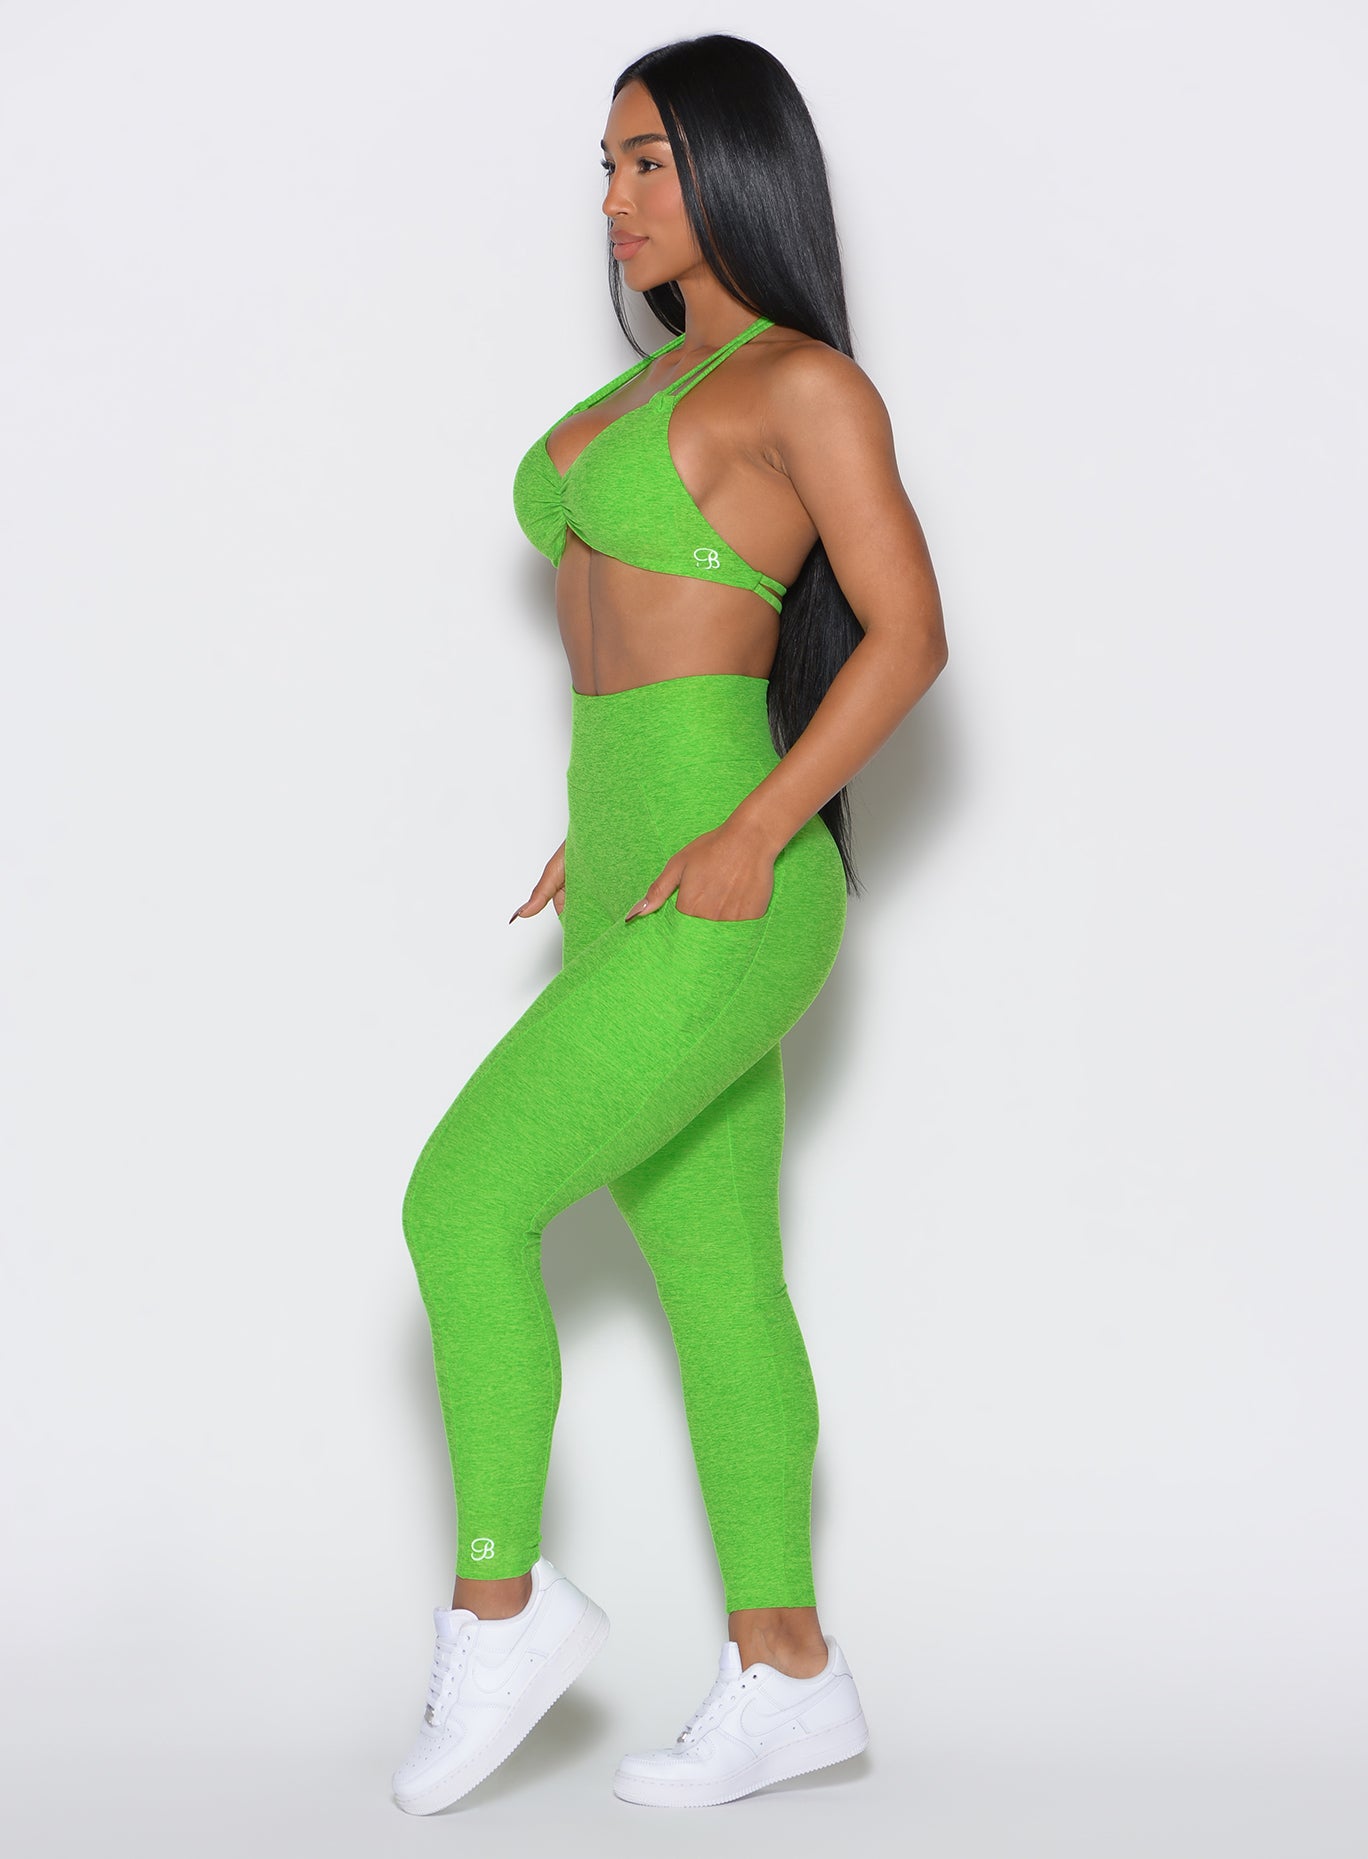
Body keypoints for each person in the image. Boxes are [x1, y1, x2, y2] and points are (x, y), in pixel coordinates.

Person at [391, 32, 947, 1814]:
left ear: (736, 168)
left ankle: (501, 1610)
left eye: (650, 161)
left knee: (462, 1200)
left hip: (735, 884)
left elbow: (909, 636)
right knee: (716, 1281)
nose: (617, 198)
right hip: (632, 868)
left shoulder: (804, 387)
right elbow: (637, 656)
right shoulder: (642, 397)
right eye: (608, 166)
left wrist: (753, 827)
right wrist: (606, 825)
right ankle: (790, 1674)